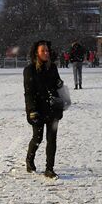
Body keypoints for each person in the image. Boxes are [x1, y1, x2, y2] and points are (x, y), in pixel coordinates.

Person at [23, 40, 65, 179]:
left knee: (52, 139)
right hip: (38, 109)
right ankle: (30, 160)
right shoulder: (29, 70)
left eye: (47, 50)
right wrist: (32, 110)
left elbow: (57, 86)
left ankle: (49, 168)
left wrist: (59, 85)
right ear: (36, 52)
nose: (46, 53)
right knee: (38, 137)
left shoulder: (52, 67)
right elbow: (29, 92)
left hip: (52, 109)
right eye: (43, 51)